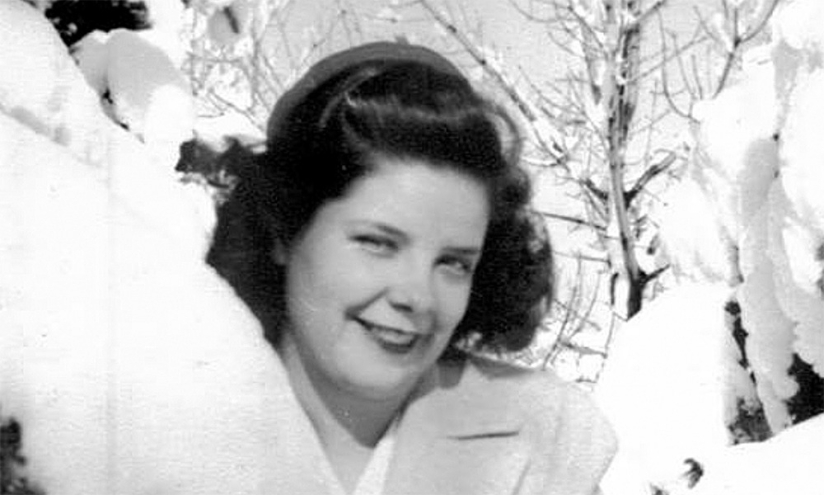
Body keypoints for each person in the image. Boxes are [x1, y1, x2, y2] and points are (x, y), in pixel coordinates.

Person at [207, 41, 616, 495]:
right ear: (283, 230)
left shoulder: (542, 440)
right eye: (378, 243)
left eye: (454, 263)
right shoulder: (173, 424)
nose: (418, 296)